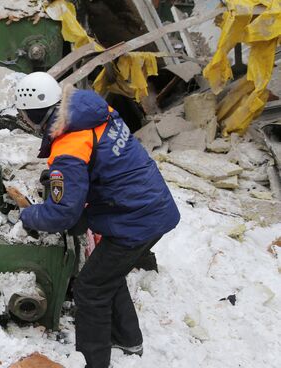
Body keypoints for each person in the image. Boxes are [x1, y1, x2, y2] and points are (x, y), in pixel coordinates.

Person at [15, 72, 180, 368]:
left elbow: (61, 213)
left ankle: (93, 361)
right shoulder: (92, 112)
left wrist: (27, 215)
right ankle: (129, 340)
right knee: (107, 274)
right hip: (150, 203)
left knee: (90, 288)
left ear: (32, 113)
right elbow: (100, 160)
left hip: (135, 219)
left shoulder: (68, 146)